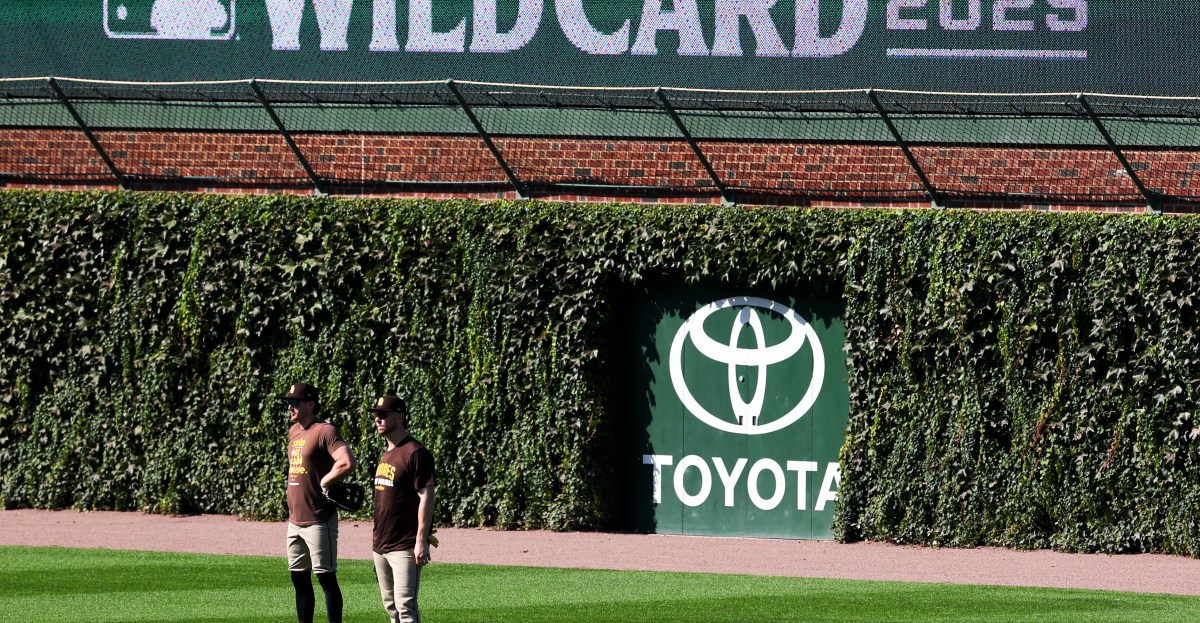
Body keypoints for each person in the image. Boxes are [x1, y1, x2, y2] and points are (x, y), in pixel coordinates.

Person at [281, 382, 357, 623]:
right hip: (295, 520)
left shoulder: (325, 430)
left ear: (311, 404)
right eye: (289, 402)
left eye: (295, 402)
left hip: (318, 517)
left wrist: (327, 479)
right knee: (299, 580)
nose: (290, 406)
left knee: (326, 578)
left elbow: (346, 462)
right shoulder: (294, 431)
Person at [368, 394, 437, 623]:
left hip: (404, 545)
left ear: (400, 416)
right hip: (381, 544)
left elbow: (427, 497)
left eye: (383, 415)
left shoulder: (415, 452)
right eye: (375, 416)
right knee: (391, 608)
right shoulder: (387, 454)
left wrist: (421, 541)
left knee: (406, 607)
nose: (377, 420)